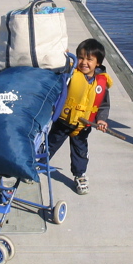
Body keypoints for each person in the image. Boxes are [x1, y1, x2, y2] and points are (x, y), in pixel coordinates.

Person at [47, 38, 113, 195]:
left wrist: (102, 120)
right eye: (81, 58)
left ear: (98, 63)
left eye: (89, 59)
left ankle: (80, 175)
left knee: (80, 152)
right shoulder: (70, 74)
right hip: (63, 122)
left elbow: (103, 105)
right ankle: (35, 165)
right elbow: (58, 72)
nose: (84, 62)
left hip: (83, 126)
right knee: (49, 145)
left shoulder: (101, 83)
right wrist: (63, 56)